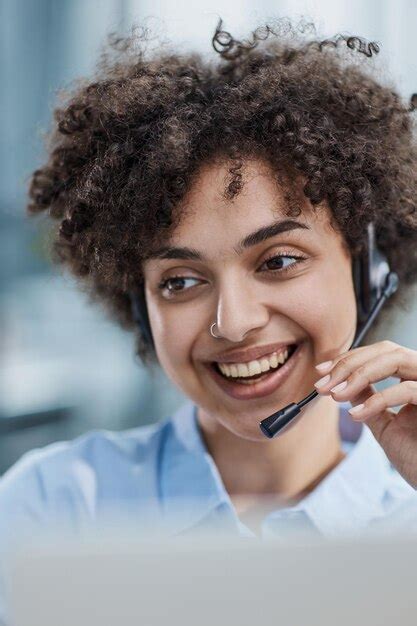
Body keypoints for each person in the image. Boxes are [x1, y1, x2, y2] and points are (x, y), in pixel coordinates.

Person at [2, 17, 417, 560]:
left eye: (280, 260)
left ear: (371, 269)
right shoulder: (52, 507)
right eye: (180, 281)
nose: (234, 322)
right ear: (138, 302)